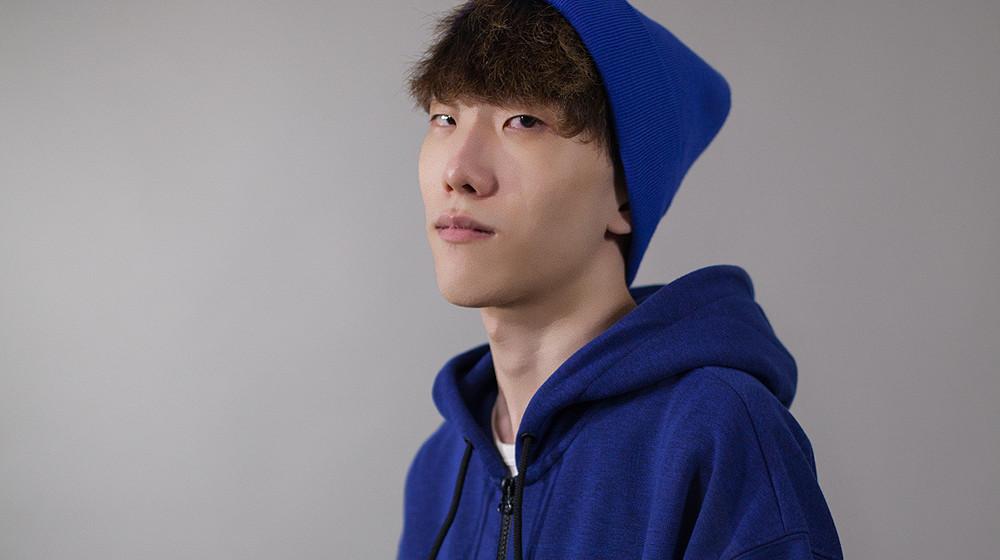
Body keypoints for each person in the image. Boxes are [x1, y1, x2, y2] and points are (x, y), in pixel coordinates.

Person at [397, 1, 844, 559]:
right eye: (445, 118)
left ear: (625, 193)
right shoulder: (439, 469)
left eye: (525, 121)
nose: (457, 172)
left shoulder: (716, 433)